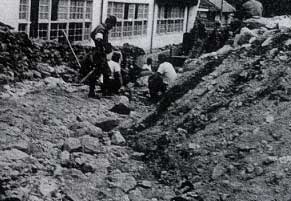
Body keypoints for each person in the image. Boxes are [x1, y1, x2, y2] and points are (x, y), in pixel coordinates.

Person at [87, 15, 117, 98]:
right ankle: (95, 92)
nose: (112, 27)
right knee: (101, 72)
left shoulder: (101, 27)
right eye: (112, 25)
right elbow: (98, 39)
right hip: (99, 54)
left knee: (104, 72)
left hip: (98, 53)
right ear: (109, 23)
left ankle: (103, 90)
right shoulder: (102, 29)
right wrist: (104, 47)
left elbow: (92, 34)